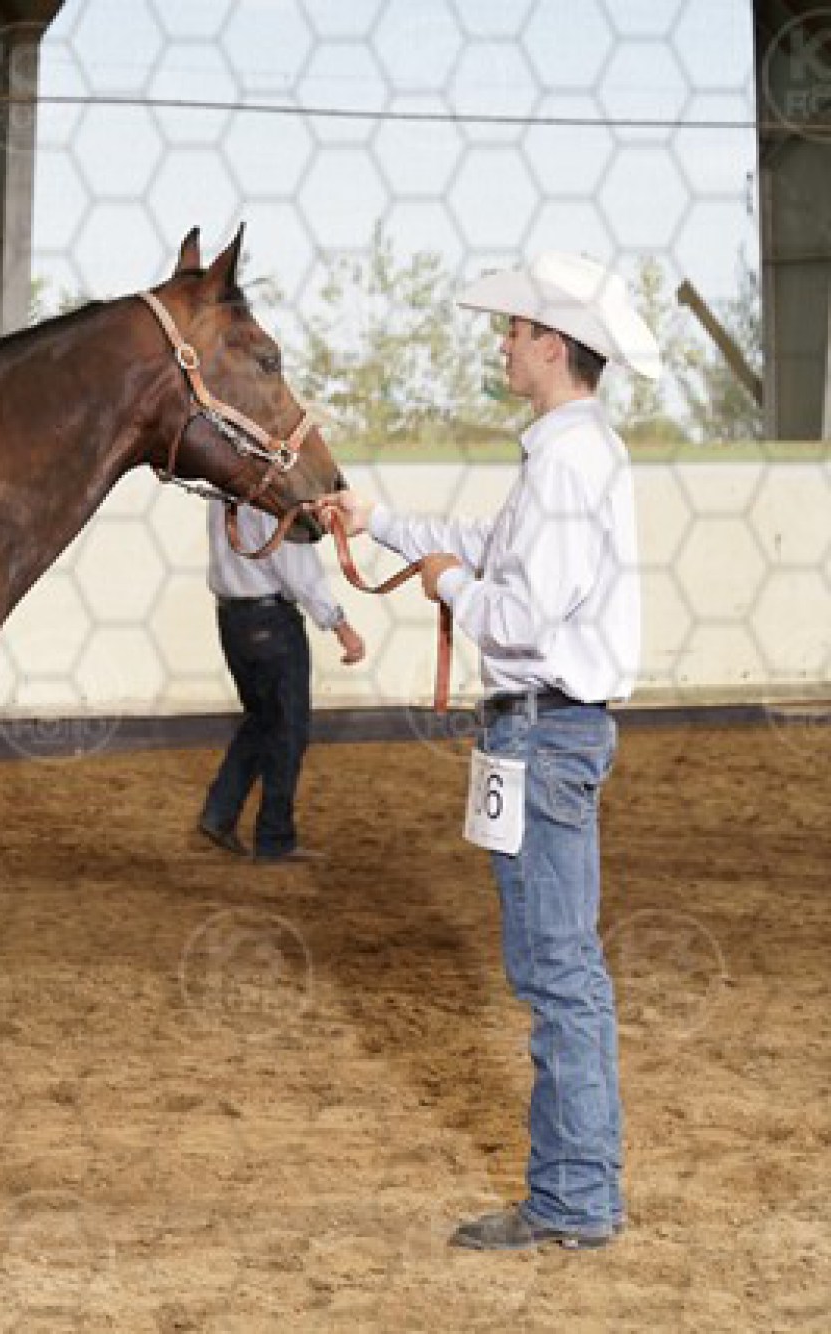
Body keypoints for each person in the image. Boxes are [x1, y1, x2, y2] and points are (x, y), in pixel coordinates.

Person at [316, 251, 659, 1252]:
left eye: (514, 330)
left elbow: (517, 613)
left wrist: (446, 587)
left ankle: (573, 1199)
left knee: (556, 974)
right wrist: (381, 524)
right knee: (557, 968)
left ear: (552, 345)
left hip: (542, 728)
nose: (503, 343)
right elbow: (488, 542)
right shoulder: (571, 452)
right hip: (546, 731)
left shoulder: (565, 462)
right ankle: (577, 1192)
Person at [196, 496, 366, 864]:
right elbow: (299, 572)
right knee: (288, 729)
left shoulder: (221, 491)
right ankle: (275, 837)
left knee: (261, 720)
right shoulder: (274, 499)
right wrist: (340, 626)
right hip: (271, 621)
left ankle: (220, 812)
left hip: (231, 618)